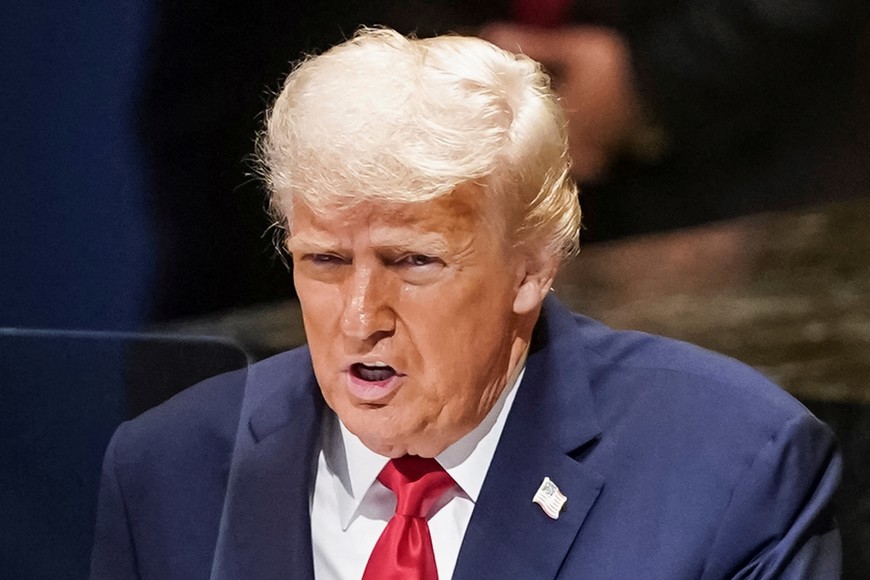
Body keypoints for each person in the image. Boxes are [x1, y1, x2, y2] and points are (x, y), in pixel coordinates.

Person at [90, 28, 842, 579]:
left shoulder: (733, 468)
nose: (360, 316)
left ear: (532, 269)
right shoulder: (167, 470)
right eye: (324, 260)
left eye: (411, 261)